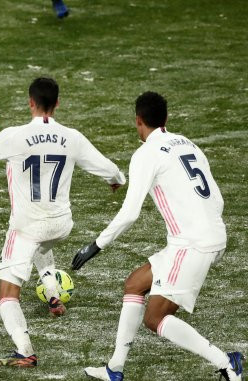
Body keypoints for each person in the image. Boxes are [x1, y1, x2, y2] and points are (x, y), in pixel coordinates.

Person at [73, 92, 244, 381]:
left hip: (191, 244)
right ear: (166, 119)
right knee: (135, 284)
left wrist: (96, 245)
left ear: (138, 121)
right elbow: (217, 199)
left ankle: (227, 362)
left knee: (155, 318)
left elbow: (130, 213)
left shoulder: (145, 154)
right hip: (203, 236)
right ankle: (115, 369)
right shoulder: (188, 143)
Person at [0, 77, 125, 367]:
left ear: (30, 102)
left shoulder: (14, 135)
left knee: (7, 294)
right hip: (62, 225)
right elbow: (110, 168)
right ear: (57, 104)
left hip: (27, 227)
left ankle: (25, 351)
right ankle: (53, 295)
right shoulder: (72, 136)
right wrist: (115, 180)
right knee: (42, 245)